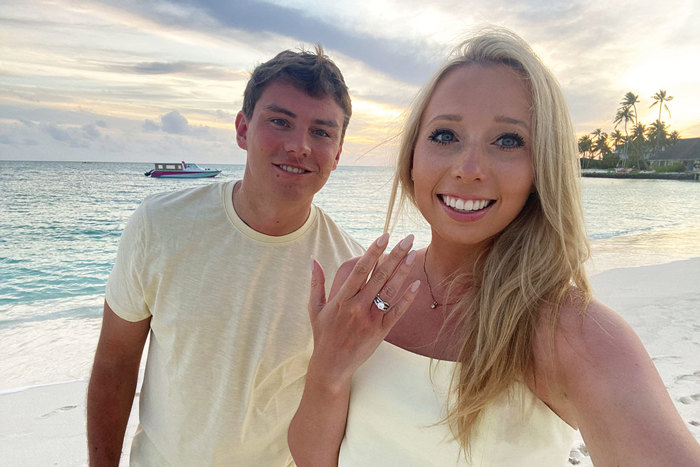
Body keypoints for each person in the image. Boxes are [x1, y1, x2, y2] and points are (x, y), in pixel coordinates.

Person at [288, 29, 700, 466]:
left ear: (542, 167)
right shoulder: (361, 288)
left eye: (507, 140)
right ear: (413, 155)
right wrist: (326, 374)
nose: (468, 170)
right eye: (445, 135)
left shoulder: (571, 333)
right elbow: (314, 458)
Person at [87, 46, 364, 466]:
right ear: (242, 128)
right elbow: (114, 363)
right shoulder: (161, 224)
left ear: (339, 152)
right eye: (280, 121)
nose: (299, 146)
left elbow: (343, 408)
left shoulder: (349, 268)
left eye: (322, 132)